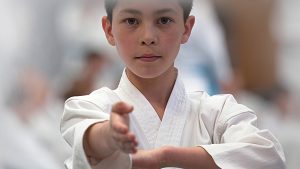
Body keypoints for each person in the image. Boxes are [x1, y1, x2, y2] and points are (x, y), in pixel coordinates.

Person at [60, 0, 286, 168]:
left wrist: (166, 156)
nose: (148, 36)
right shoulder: (88, 107)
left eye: (164, 20)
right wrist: (110, 134)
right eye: (131, 21)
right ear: (109, 30)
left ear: (186, 29)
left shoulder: (217, 111)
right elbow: (90, 139)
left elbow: (269, 154)